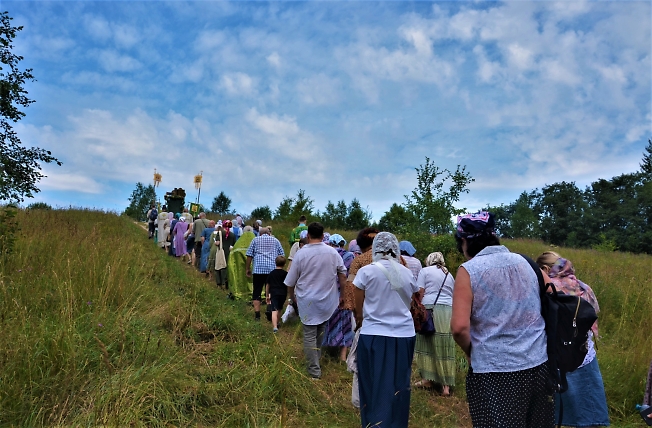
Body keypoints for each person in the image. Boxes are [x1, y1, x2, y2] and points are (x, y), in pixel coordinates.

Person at [451, 211, 554, 428]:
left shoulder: (468, 271)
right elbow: (554, 295)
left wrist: (472, 353)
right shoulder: (526, 262)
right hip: (538, 363)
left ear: (464, 241)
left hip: (495, 371)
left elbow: (460, 328)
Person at [353, 232, 419, 428]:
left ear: (375, 249)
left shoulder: (366, 272)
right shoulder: (407, 273)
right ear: (396, 249)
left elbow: (359, 307)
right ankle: (396, 423)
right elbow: (412, 299)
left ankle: (374, 422)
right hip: (404, 335)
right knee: (399, 384)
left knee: (372, 383)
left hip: (374, 334)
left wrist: (360, 319)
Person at [536, 251, 610, 427]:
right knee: (589, 409)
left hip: (555, 356)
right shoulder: (582, 286)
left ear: (546, 269)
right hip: (583, 353)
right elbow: (591, 317)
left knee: (553, 412)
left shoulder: (546, 289)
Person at [285, 222, 347, 379]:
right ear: (322, 235)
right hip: (328, 300)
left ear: (307, 235)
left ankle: (314, 371)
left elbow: (290, 281)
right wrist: (343, 295)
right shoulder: (333, 253)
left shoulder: (301, 254)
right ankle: (316, 361)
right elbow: (342, 275)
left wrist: (292, 298)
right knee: (320, 330)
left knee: (309, 334)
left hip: (307, 300)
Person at [413, 252, 456, 396]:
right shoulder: (449, 274)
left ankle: (428, 379)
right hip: (448, 311)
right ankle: (446, 386)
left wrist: (416, 306)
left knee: (426, 342)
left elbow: (420, 292)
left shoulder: (425, 271)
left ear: (429, 260)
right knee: (445, 346)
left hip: (430, 310)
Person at [322, 234, 355, 361]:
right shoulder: (349, 256)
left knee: (326, 321)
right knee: (344, 323)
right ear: (342, 243)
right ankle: (342, 356)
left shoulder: (326, 254)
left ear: (330, 243)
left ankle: (326, 349)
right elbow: (350, 276)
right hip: (343, 293)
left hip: (326, 292)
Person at [246, 226, 285, 321]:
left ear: (260, 233)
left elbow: (249, 255)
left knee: (257, 291)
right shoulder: (275, 241)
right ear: (269, 233)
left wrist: (247, 268)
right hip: (271, 269)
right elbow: (282, 255)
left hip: (258, 269)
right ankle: (269, 307)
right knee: (271, 290)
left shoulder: (255, 240)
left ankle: (257, 315)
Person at [228, 226, 255, 300]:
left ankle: (241, 293)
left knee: (241, 278)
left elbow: (232, 256)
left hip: (240, 266)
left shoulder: (239, 242)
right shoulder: (256, 240)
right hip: (255, 266)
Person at [266, 255, 288, 333]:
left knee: (274, 310)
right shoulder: (286, 274)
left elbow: (268, 285)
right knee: (280, 309)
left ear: (275, 263)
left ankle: (275, 327)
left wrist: (267, 295)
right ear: (284, 264)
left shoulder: (271, 273)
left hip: (274, 293)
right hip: (283, 293)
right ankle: (278, 323)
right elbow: (288, 284)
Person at [213, 220, 237, 288]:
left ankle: (219, 283)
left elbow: (217, 243)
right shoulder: (232, 235)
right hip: (228, 253)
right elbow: (234, 245)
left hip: (221, 252)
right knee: (227, 267)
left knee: (219, 267)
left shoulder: (220, 233)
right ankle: (226, 283)